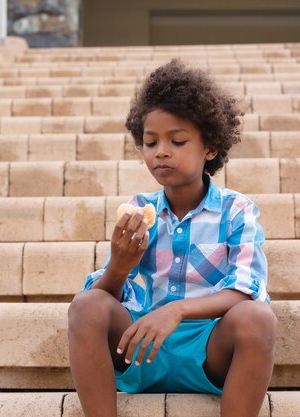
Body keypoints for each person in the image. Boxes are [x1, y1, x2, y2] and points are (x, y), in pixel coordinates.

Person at [68, 58, 279, 417]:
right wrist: (118, 268)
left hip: (209, 352)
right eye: (150, 142)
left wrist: (176, 311)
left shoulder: (236, 211)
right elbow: (102, 300)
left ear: (210, 148)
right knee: (85, 304)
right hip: (140, 346)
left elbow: (246, 288)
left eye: (177, 141)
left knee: (258, 317)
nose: (161, 151)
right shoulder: (138, 212)